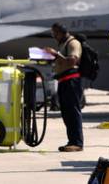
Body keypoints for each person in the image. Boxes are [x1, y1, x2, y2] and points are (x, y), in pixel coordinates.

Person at [43, 22, 84, 152]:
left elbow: (72, 61)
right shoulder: (63, 44)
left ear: (61, 32)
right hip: (63, 81)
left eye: (55, 33)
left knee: (73, 112)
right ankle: (72, 141)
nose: (53, 36)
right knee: (67, 113)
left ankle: (77, 143)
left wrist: (55, 54)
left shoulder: (73, 43)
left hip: (71, 82)